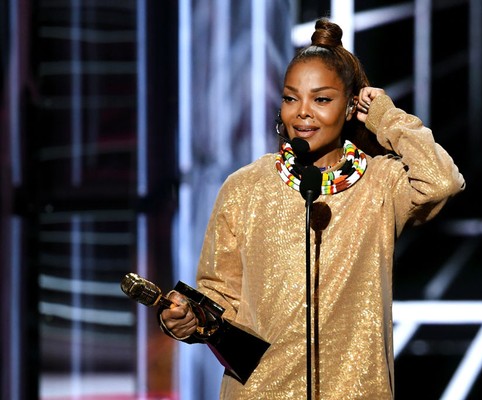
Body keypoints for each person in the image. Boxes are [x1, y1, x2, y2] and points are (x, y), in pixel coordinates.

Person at [160, 18, 465, 399]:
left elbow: (441, 181)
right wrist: (189, 317)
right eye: (291, 98)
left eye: (321, 99)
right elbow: (219, 294)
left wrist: (387, 118)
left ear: (352, 105)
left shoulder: (379, 184)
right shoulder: (245, 187)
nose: (302, 113)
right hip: (260, 391)